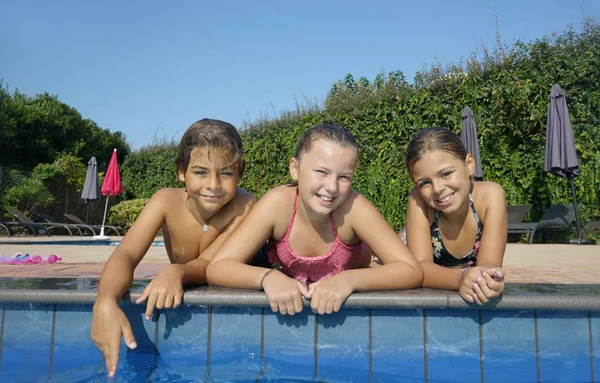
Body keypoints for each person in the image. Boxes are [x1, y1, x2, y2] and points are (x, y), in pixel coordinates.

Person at [91, 119, 256, 377]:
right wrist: (105, 300)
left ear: (240, 173)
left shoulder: (245, 208)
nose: (213, 184)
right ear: (182, 171)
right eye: (201, 172)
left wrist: (175, 271)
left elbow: (210, 265)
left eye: (226, 173)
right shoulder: (166, 201)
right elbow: (126, 253)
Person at [207, 123, 423, 316]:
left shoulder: (353, 207)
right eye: (321, 172)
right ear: (295, 169)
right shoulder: (278, 204)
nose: (331, 187)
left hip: (362, 263)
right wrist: (267, 278)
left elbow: (410, 270)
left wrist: (349, 280)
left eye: (344, 177)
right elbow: (218, 267)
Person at [403, 127, 506, 305]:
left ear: (469, 165)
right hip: (404, 247)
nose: (437, 189)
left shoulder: (490, 196)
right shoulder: (418, 200)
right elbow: (418, 269)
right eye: (424, 183)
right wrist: (460, 279)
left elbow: (489, 264)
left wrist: (487, 280)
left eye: (446, 174)